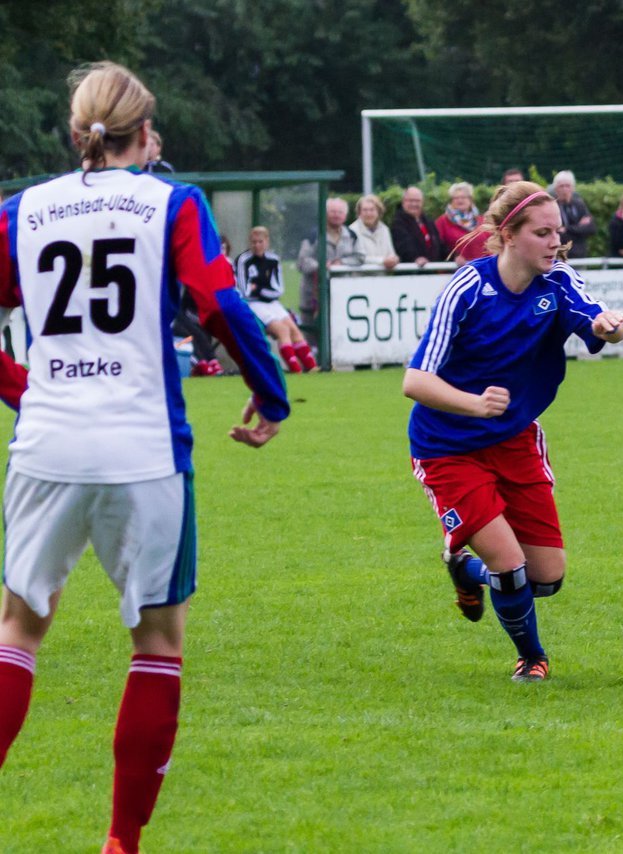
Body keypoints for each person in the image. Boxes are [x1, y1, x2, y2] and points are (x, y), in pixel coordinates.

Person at [0, 61, 289, 854]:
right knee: (157, 643)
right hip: (144, 449)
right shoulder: (174, 204)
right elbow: (220, 302)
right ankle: (121, 842)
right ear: (146, 132)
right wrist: (272, 395)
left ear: (77, 133)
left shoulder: (22, 212)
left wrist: (23, 387)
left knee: (19, 632)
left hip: (47, 446)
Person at [404, 181, 623, 682]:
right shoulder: (467, 288)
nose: (555, 243)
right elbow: (414, 381)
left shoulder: (559, 281)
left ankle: (463, 568)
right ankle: (532, 658)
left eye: (559, 233)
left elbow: (595, 320)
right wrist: (475, 404)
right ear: (508, 235)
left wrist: (611, 327)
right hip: (447, 448)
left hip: (516, 442)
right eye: (543, 233)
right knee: (509, 567)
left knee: (546, 579)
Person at [235, 226, 317, 373]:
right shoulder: (243, 260)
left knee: (294, 330)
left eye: (260, 242)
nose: (257, 245)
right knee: (283, 330)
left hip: (272, 302)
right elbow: (244, 291)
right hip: (254, 304)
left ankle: (312, 367)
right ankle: (295, 369)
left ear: (267, 242)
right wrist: (262, 289)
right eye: (254, 242)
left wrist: (258, 288)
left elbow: (278, 289)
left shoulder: (273, 259)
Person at [297, 197, 363, 342]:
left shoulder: (351, 235)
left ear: (345, 216)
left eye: (340, 212)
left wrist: (342, 263)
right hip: (313, 298)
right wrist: (321, 267)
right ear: (325, 213)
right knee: (312, 338)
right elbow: (302, 262)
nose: (336, 215)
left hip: (341, 297)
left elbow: (360, 257)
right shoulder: (314, 235)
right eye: (332, 211)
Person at [391, 186, 446, 266]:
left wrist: (454, 257)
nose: (414, 204)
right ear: (403, 202)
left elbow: (440, 247)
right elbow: (403, 246)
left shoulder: (429, 222)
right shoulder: (398, 223)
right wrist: (415, 258)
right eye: (410, 200)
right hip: (410, 274)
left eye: (417, 201)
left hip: (431, 272)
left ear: (422, 202)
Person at [435, 182, 488, 263]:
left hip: (481, 269)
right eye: (456, 198)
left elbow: (490, 245)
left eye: (463, 197)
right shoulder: (442, 221)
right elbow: (437, 247)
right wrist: (453, 257)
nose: (460, 200)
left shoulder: (482, 221)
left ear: (470, 199)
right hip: (454, 271)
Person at [550, 170, 597, 259]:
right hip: (561, 255)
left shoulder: (579, 205)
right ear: (556, 189)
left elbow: (591, 228)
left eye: (567, 186)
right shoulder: (553, 207)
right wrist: (579, 227)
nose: (564, 189)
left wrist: (567, 229)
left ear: (573, 188)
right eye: (561, 186)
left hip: (580, 254)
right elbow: (559, 234)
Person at [351, 194, 399, 270]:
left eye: (372, 210)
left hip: (382, 278)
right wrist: (382, 261)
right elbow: (359, 257)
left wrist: (394, 259)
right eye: (365, 210)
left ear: (378, 212)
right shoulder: (353, 230)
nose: (368, 213)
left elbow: (391, 253)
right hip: (360, 279)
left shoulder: (384, 229)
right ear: (359, 213)